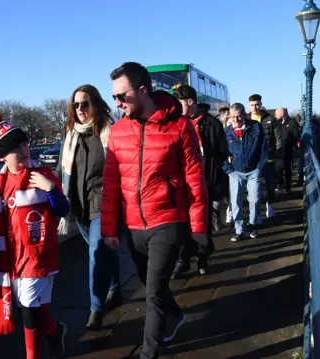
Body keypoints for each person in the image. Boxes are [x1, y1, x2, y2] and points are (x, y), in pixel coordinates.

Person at [101, 62, 209, 359]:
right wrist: (110, 229)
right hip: (133, 225)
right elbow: (110, 184)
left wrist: (199, 228)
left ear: (143, 91)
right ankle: (176, 316)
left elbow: (194, 180)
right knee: (153, 286)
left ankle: (149, 353)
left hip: (168, 219)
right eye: (114, 98)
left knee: (152, 294)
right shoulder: (118, 131)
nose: (117, 103)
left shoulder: (180, 126)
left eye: (122, 96)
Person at [0, 111, 69, 359]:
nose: (24, 149)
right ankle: (54, 331)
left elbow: (63, 209)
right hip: (10, 260)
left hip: (37, 256)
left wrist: (51, 190)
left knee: (30, 310)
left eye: (24, 142)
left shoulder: (43, 176)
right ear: (2, 157)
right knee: (30, 310)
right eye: (16, 147)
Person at [55, 84, 126, 330]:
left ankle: (96, 309)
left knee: (96, 253)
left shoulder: (109, 133)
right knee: (105, 251)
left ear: (95, 104)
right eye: (76, 104)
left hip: (104, 206)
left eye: (85, 103)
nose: (80, 109)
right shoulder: (71, 134)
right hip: (79, 207)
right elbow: (62, 171)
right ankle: (115, 288)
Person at [171, 85, 228, 278]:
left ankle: (203, 258)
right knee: (182, 225)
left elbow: (222, 153)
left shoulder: (212, 124)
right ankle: (183, 261)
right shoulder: (176, 124)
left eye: (179, 103)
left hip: (207, 182)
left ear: (190, 101)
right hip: (184, 184)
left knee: (203, 225)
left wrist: (216, 181)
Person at [223, 103, 268, 241]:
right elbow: (221, 152)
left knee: (254, 199)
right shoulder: (227, 133)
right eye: (233, 117)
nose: (236, 120)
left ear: (244, 115)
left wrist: (260, 167)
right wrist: (228, 169)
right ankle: (239, 229)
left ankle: (253, 224)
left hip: (253, 170)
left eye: (239, 116)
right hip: (235, 171)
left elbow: (264, 148)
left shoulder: (255, 127)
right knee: (235, 202)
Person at [247, 94, 282, 218]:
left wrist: (277, 151)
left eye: (257, 104)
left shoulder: (270, 119)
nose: (254, 107)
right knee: (254, 186)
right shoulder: (247, 120)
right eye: (252, 105)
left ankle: (270, 203)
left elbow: (278, 136)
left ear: (261, 104)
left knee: (270, 184)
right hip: (254, 159)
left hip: (269, 157)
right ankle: (255, 211)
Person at [274, 107, 301, 193]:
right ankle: (280, 183)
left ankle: (288, 187)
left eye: (277, 114)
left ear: (282, 114)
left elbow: (296, 136)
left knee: (287, 169)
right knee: (277, 168)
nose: (275, 115)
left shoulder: (292, 123)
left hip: (288, 150)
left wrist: (293, 146)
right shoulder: (276, 123)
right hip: (278, 150)